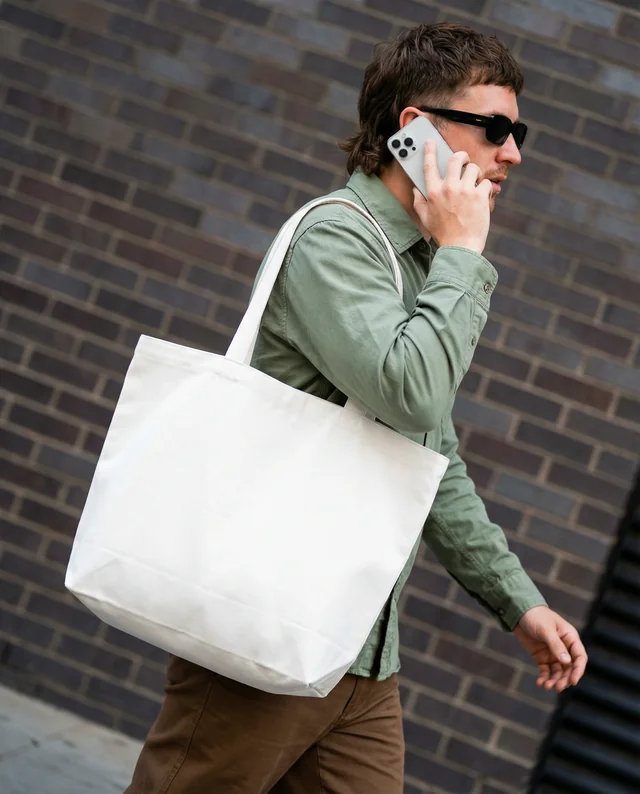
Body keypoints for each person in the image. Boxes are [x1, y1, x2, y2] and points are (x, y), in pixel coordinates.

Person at [125, 22, 587, 794]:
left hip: (362, 655)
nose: (513, 153)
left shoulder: (421, 265)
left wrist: (519, 603)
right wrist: (466, 258)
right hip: (266, 632)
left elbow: (428, 454)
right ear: (416, 131)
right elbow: (413, 388)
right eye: (495, 128)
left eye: (519, 131)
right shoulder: (340, 241)